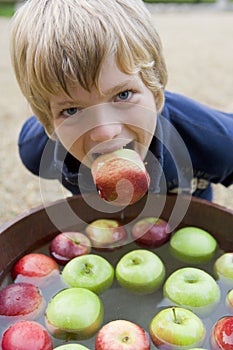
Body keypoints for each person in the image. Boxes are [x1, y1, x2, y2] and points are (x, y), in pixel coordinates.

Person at [10, 0, 233, 203]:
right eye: (72, 110)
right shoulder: (35, 151)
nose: (105, 132)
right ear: (49, 124)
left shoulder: (209, 139)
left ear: (155, 93)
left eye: (123, 95)